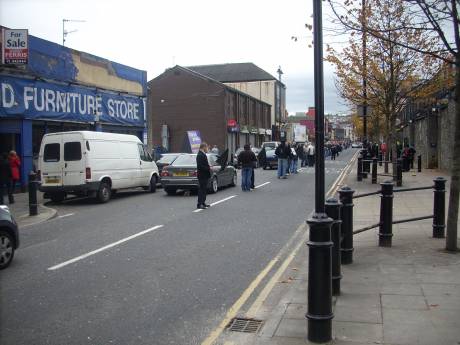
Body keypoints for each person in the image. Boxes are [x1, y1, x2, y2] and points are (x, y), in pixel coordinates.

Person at [196, 143, 211, 209]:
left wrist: (209, 167)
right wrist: (208, 168)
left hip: (205, 175)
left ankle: (203, 202)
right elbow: (200, 166)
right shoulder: (200, 155)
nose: (207, 149)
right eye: (207, 147)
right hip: (202, 175)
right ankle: (199, 204)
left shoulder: (203, 154)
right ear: (203, 147)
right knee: (201, 189)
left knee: (204, 189)